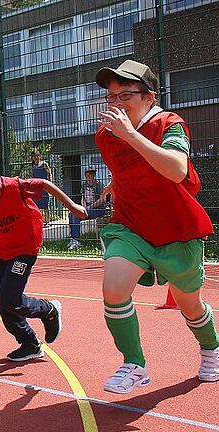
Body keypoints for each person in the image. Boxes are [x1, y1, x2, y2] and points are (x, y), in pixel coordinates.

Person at [93, 59, 218, 393]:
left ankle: (211, 347)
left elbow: (176, 169)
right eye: (111, 97)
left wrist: (131, 136)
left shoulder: (169, 124)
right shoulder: (106, 136)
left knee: (190, 306)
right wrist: (114, 184)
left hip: (177, 230)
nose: (116, 104)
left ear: (149, 97)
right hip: (130, 225)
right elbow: (129, 171)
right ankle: (134, 365)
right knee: (114, 288)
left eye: (125, 96)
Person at [0, 135, 87, 361]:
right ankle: (29, 343)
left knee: (11, 299)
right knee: (3, 304)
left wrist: (72, 206)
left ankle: (49, 309)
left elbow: (45, 185)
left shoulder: (13, 186)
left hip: (25, 249)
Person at [67, 166, 108, 250]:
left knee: (76, 215)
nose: (89, 177)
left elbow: (102, 199)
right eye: (88, 175)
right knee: (72, 213)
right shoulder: (84, 185)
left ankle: (76, 240)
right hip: (88, 209)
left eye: (91, 175)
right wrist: (82, 208)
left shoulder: (99, 184)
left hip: (98, 210)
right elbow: (83, 198)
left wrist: (89, 208)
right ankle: (73, 239)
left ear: (94, 175)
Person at [30, 150, 52, 225]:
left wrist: (50, 184)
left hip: (44, 186)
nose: (36, 157)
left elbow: (49, 174)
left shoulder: (44, 164)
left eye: (37, 155)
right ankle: (40, 221)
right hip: (36, 187)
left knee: (45, 204)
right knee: (37, 205)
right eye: (34, 156)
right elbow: (32, 177)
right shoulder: (32, 166)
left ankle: (47, 221)